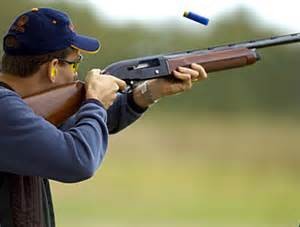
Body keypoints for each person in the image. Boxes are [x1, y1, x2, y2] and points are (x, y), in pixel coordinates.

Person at [0, 8, 207, 227]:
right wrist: (95, 100)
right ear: (53, 68)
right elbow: (78, 160)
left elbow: (90, 124)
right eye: (74, 63)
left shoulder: (16, 109)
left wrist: (150, 92)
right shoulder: (5, 109)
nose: (75, 73)